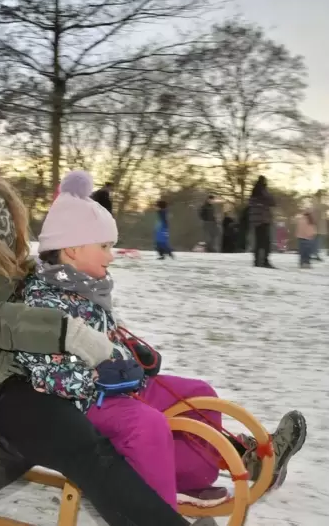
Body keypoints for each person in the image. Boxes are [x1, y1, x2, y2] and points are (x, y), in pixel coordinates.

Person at [0, 103, 207, 526]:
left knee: (119, 403)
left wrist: (78, 295)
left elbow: (22, 283)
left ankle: (184, 482)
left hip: (16, 360)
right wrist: (67, 332)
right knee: (79, 439)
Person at [18, 171, 308, 510]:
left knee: (198, 393)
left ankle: (191, 477)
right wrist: (96, 377)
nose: (111, 256)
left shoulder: (89, 288)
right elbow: (47, 374)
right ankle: (156, 512)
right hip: (80, 406)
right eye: (104, 247)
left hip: (118, 390)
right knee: (147, 424)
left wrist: (132, 353)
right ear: (72, 249)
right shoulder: (45, 302)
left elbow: (108, 337)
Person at [248, 176, 275, 268]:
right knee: (266, 242)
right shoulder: (263, 192)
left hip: (255, 221)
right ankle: (264, 261)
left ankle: (257, 261)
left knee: (258, 242)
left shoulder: (253, 193)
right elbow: (272, 202)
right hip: (263, 220)